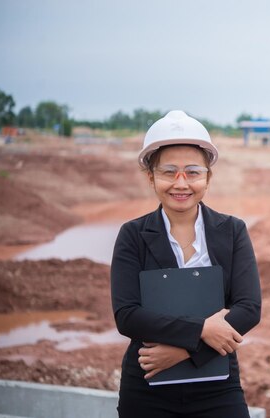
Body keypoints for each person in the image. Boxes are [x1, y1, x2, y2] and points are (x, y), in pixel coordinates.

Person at [111, 110, 261, 417]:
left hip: (217, 382)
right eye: (169, 172)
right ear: (151, 177)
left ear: (208, 177)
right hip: (148, 383)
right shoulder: (133, 235)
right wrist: (203, 329)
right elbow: (127, 315)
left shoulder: (232, 231)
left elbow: (248, 308)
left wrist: (182, 351)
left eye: (192, 172)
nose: (181, 183)